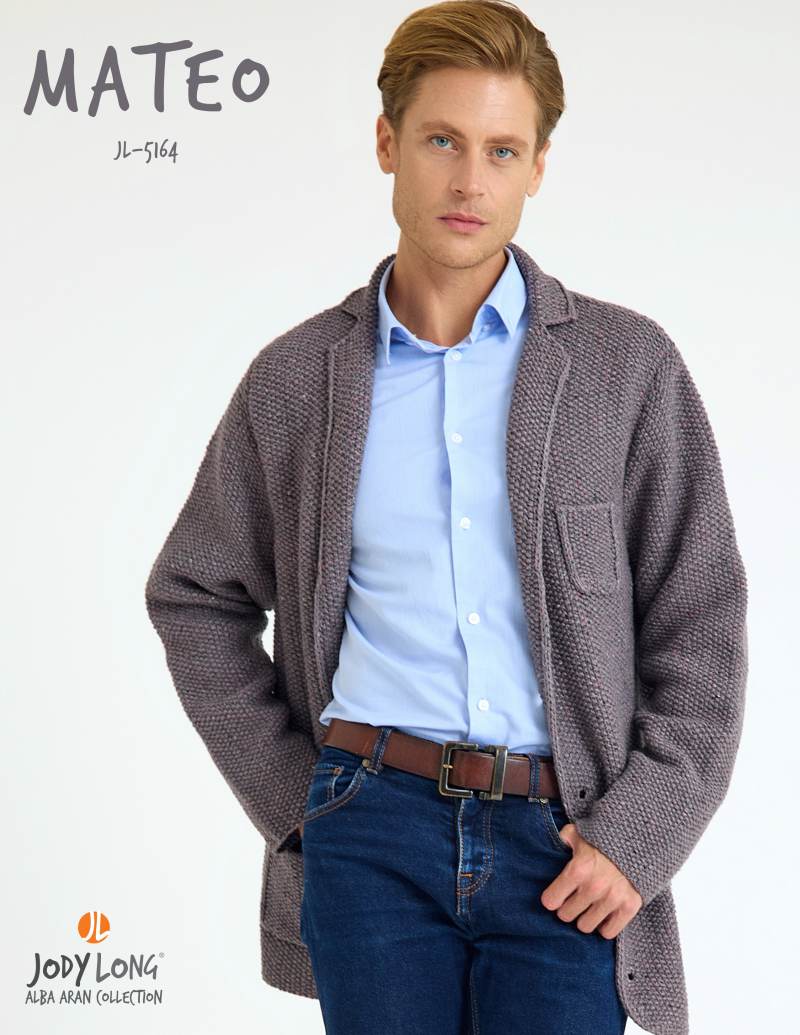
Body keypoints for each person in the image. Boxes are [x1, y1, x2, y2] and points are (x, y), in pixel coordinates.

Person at [144, 3, 748, 1034]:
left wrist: (637, 834)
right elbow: (194, 594)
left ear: (537, 167)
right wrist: (300, 802)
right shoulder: (298, 381)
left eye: (501, 150)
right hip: (369, 836)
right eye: (441, 141)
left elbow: (700, 619)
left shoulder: (624, 369)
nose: (470, 180)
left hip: (567, 847)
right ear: (387, 144)